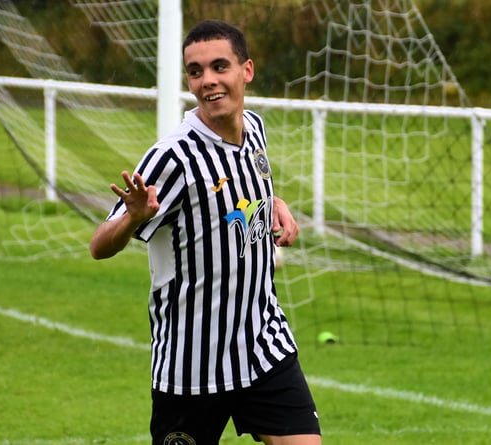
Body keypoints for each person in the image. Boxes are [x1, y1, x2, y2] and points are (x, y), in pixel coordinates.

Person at [90, 19, 322, 445]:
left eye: (219, 67)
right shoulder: (173, 157)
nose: (208, 81)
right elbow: (98, 246)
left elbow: (240, 191)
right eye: (196, 72)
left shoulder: (254, 129)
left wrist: (274, 203)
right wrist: (133, 217)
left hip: (263, 345)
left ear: (246, 70)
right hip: (192, 367)